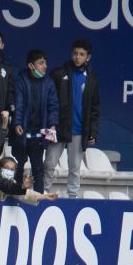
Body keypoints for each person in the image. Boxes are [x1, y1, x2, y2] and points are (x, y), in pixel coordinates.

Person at [45, 39, 101, 198]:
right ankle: (43, 192)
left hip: (79, 130)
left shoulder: (92, 79)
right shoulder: (58, 73)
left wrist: (93, 132)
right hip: (57, 128)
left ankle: (72, 197)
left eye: (82, 54)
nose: (78, 57)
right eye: (75, 53)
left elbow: (95, 108)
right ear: (71, 54)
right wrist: (50, 124)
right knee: (49, 163)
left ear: (88, 57)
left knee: (74, 167)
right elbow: (49, 101)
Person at [12, 49, 59, 193]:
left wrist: (52, 125)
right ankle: (17, 194)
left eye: (45, 63)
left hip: (39, 135)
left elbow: (53, 106)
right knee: (18, 166)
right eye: (41, 63)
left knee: (38, 169)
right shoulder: (20, 81)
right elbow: (18, 105)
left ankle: (39, 198)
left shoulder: (49, 83)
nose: (45, 66)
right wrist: (17, 123)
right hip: (22, 133)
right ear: (31, 66)